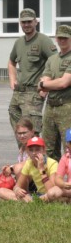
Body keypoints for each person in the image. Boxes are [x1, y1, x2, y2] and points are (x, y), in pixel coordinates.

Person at [8, 8, 57, 140]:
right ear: (20, 23)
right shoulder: (19, 42)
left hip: (34, 93)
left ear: (36, 22)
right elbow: (11, 62)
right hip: (18, 93)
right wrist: (12, 79)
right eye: (23, 22)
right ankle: (23, 157)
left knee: (32, 132)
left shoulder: (43, 40)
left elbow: (55, 62)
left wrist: (46, 87)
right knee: (20, 131)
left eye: (29, 21)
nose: (26, 25)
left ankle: (36, 158)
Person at [38, 25, 71, 160]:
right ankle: (54, 180)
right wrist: (46, 84)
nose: (62, 41)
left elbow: (63, 83)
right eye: (60, 38)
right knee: (48, 148)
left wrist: (44, 84)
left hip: (67, 107)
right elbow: (45, 81)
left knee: (68, 147)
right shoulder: (52, 59)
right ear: (56, 39)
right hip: (50, 107)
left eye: (65, 38)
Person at [0, 136, 56, 202]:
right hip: (38, 194)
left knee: (52, 194)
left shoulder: (52, 163)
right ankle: (31, 201)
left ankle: (31, 201)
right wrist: (17, 190)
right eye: (31, 150)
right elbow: (18, 185)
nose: (34, 153)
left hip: (48, 194)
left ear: (44, 150)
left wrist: (42, 170)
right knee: (1, 191)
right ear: (27, 152)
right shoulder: (29, 163)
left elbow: (51, 189)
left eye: (37, 149)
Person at [0, 117, 37, 199]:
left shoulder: (35, 145)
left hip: (35, 183)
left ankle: (26, 197)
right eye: (19, 133)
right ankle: (23, 199)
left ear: (32, 132)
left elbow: (28, 163)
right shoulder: (23, 147)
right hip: (23, 180)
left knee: (18, 168)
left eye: (24, 133)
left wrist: (11, 168)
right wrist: (8, 169)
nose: (22, 136)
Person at [46, 128, 71, 202]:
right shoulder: (65, 158)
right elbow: (58, 178)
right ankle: (68, 200)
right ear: (68, 144)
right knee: (51, 193)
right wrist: (63, 184)